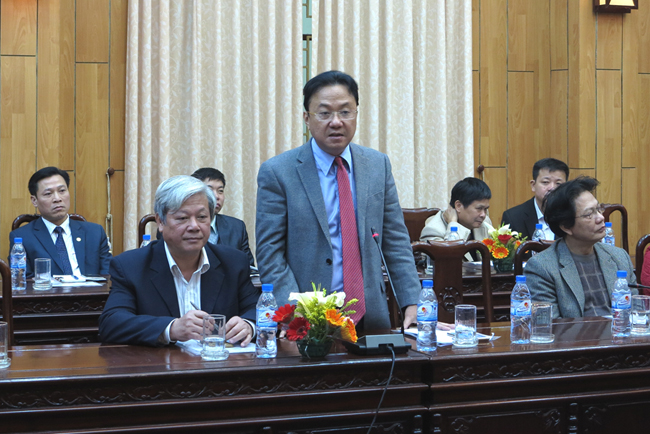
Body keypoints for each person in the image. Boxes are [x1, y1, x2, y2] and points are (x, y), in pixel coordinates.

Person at [255, 70, 420, 331]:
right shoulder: (278, 172)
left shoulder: (377, 165)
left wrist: (412, 300)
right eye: (324, 113)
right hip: (309, 319)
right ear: (307, 118)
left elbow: (395, 240)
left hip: (371, 315)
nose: (336, 122)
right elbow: (269, 252)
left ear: (356, 114)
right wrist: (296, 313)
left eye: (345, 112)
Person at [99, 175, 258, 347]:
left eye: (202, 217)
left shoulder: (233, 262)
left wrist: (248, 324)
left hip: (219, 361)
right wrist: (171, 329)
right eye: (183, 218)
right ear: (160, 221)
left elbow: (259, 309)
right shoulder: (131, 266)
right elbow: (111, 323)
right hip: (161, 362)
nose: (194, 226)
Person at [525, 176, 637, 319]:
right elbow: (548, 323)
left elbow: (635, 312)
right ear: (566, 226)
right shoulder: (542, 267)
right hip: (576, 334)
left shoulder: (619, 257)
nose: (601, 218)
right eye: (589, 214)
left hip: (620, 332)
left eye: (598, 209)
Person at [9, 166, 111, 278]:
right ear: (34, 201)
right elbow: (23, 280)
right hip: (48, 289)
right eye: (48, 194)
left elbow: (108, 276)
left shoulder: (95, 232)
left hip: (90, 289)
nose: (57, 199)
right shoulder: (22, 237)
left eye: (62, 191)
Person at [191, 167, 255, 267]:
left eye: (220, 191)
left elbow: (249, 268)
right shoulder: (182, 226)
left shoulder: (236, 227)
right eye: (209, 190)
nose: (217, 196)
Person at [420, 177, 494, 261]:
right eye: (479, 208)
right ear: (458, 206)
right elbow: (448, 260)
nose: (483, 215)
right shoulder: (433, 230)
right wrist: (453, 224)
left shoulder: (485, 223)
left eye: (485, 209)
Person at [501, 158, 569, 241]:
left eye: (558, 183)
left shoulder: (571, 217)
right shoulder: (513, 217)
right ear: (533, 185)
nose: (552, 188)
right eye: (545, 182)